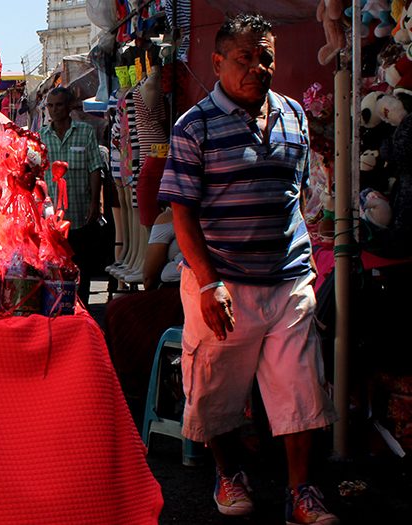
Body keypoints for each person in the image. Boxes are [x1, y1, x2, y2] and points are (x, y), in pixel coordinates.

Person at [157, 13, 339, 524]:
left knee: (302, 388)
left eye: (266, 58)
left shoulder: (294, 115)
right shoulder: (193, 126)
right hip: (222, 284)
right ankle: (229, 474)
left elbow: (296, 192)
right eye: (245, 58)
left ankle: (301, 493)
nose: (258, 67)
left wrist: (305, 256)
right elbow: (182, 213)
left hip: (288, 280)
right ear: (217, 62)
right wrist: (208, 283)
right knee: (217, 389)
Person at [104, 207, 183, 406]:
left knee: (118, 311)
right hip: (187, 288)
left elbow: (149, 276)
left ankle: (134, 388)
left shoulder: (171, 216)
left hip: (182, 291)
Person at [39, 86, 109, 306]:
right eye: (50, 105)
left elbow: (95, 168)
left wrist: (96, 203)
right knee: (54, 267)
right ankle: (59, 307)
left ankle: (83, 308)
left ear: (69, 107)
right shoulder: (41, 137)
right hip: (52, 220)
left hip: (81, 214)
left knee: (82, 266)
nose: (54, 110)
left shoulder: (85, 132)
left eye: (59, 105)